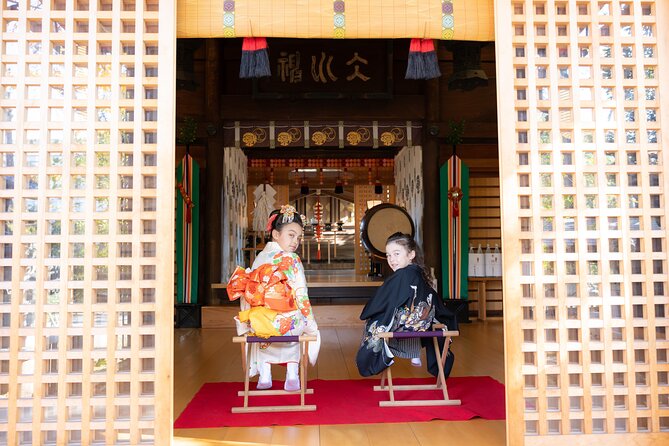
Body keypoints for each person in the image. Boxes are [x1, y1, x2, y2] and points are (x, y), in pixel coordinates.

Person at [227, 205, 319, 391]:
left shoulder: (259, 257)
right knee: (298, 321)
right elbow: (301, 294)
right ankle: (292, 375)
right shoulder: (291, 259)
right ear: (276, 235)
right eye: (291, 235)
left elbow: (248, 292)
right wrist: (311, 322)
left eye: (299, 237)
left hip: (260, 325)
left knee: (263, 321)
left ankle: (265, 374)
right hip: (285, 326)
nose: (296, 242)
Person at [356, 232, 457, 377]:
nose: (392, 259)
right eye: (388, 255)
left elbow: (379, 302)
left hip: (406, 327)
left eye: (396, 254)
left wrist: (369, 312)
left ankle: (383, 358)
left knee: (375, 320)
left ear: (411, 255)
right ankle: (413, 352)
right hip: (423, 326)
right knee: (399, 315)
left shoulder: (402, 275)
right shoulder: (419, 274)